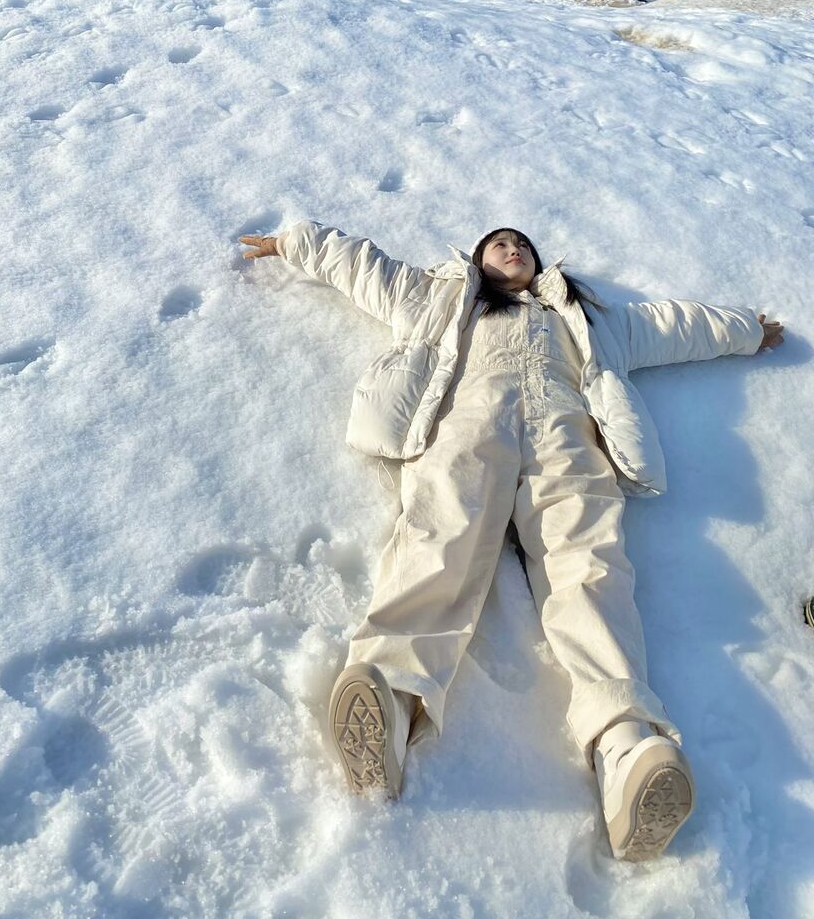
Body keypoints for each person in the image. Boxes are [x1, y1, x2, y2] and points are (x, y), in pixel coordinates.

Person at [239, 221, 784, 862]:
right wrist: (295, 241)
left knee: (587, 565)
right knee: (442, 536)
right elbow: (363, 267)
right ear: (477, 260)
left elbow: (669, 325)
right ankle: (390, 694)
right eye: (499, 244)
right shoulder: (441, 297)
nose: (513, 249)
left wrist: (745, 330)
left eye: (522, 244)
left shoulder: (585, 315)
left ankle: (625, 745)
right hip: (469, 423)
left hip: (566, 435)